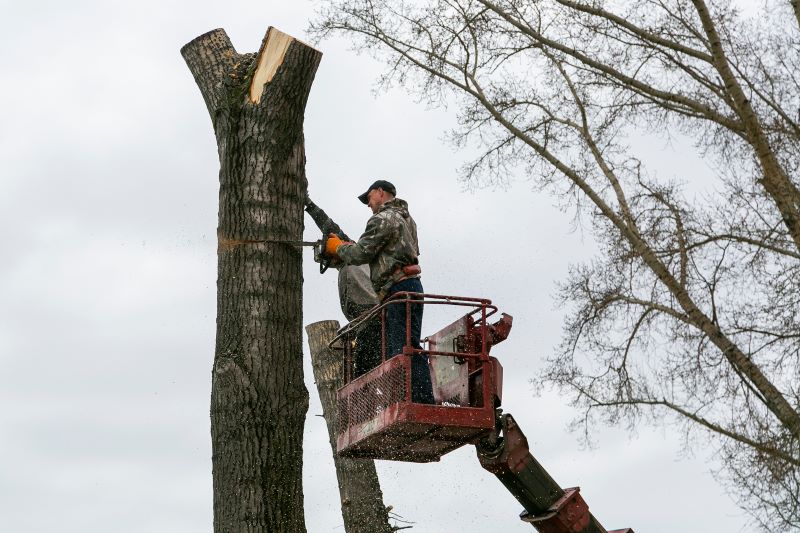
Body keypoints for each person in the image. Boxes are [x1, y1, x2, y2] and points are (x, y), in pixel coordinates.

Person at [324, 180, 435, 404]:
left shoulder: (382, 218)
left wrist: (338, 247)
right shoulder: (407, 219)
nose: (368, 204)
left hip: (396, 288)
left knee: (397, 349)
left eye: (369, 198)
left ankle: (405, 400)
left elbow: (360, 253)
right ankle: (422, 398)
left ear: (381, 192)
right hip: (413, 285)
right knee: (410, 345)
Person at [304, 197, 382, 377]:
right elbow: (325, 223)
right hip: (365, 320)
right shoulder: (347, 261)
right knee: (365, 365)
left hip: (373, 317)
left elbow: (330, 226)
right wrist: (309, 205)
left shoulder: (355, 250)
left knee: (364, 369)